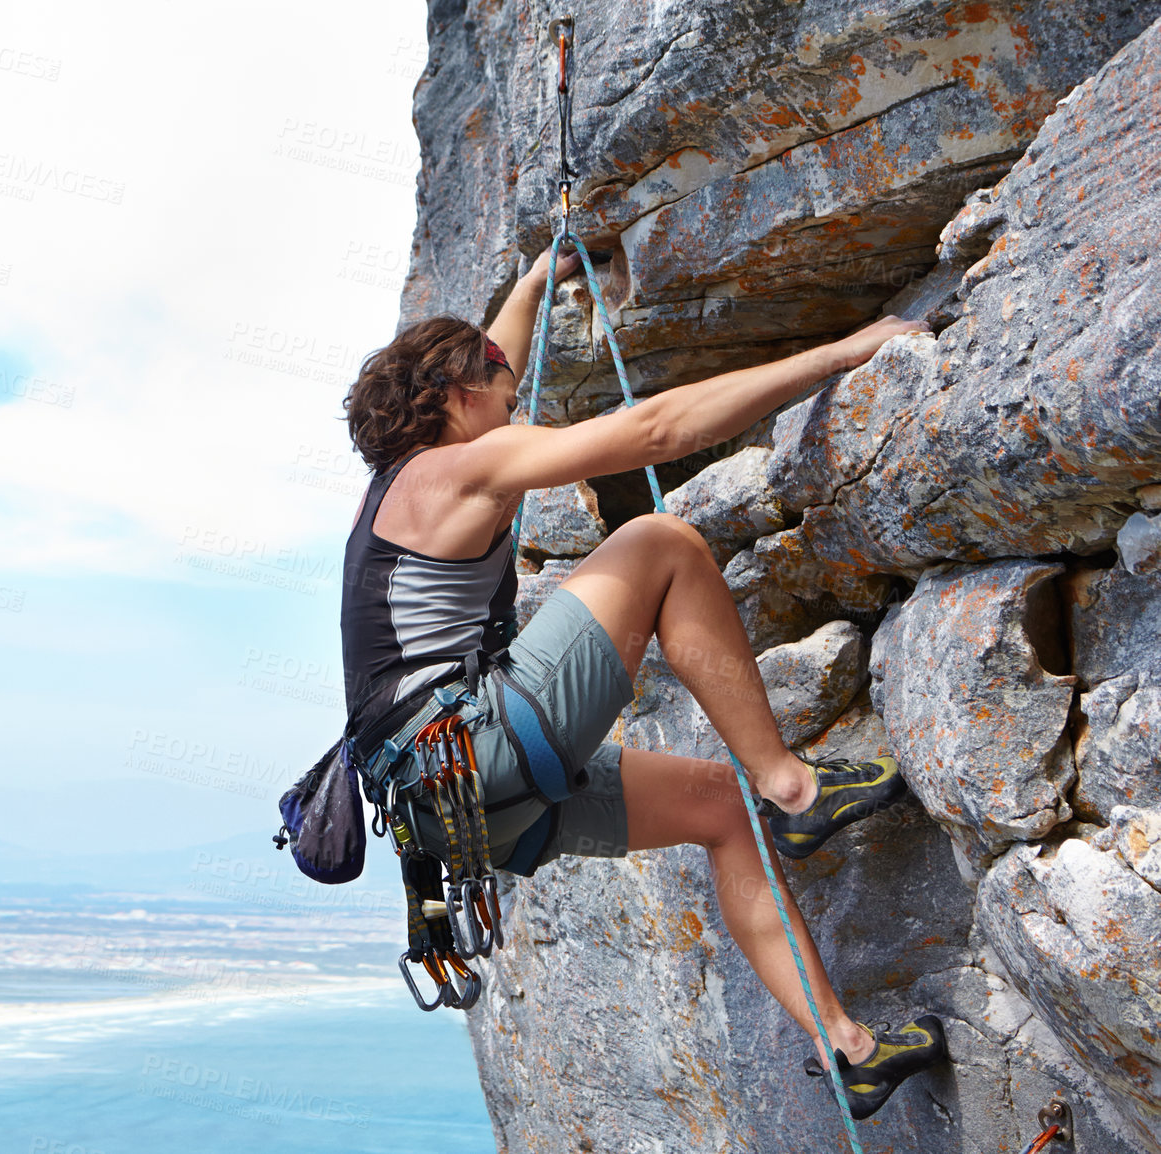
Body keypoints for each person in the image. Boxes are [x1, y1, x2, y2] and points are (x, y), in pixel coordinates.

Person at [338, 248, 947, 1120]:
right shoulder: (458, 469)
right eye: (497, 387)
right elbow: (660, 431)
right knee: (662, 543)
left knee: (721, 811)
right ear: (454, 397)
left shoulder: (396, 494)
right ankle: (796, 786)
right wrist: (845, 352)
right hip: (478, 746)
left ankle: (847, 1048)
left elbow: (487, 364)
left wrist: (533, 284)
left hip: (455, 814)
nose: (514, 396)